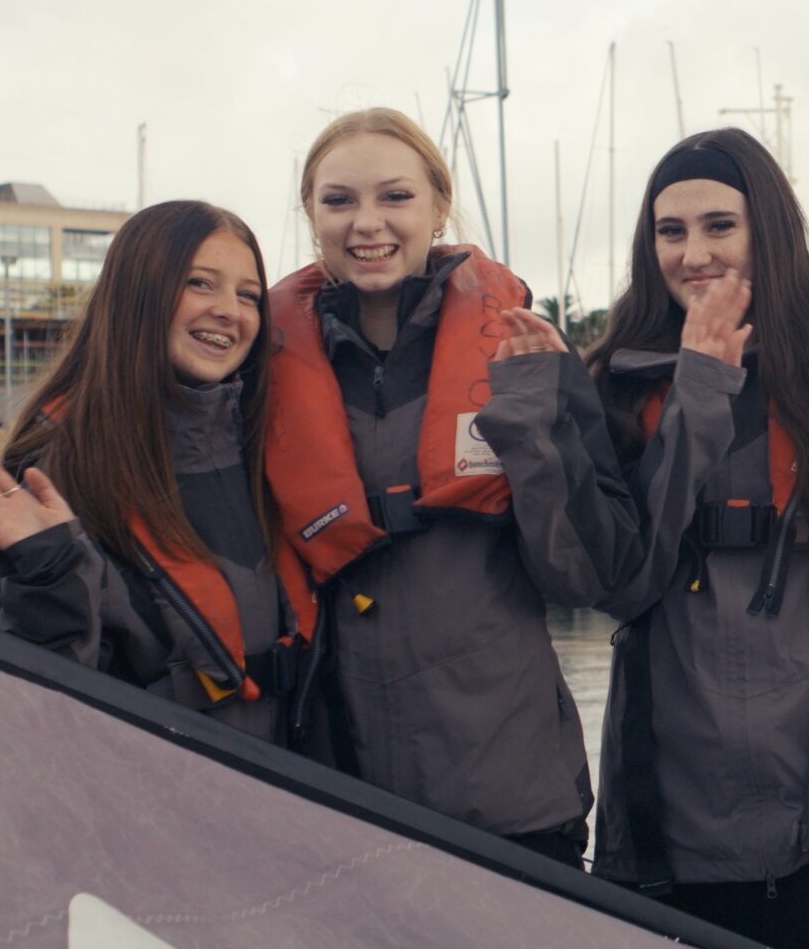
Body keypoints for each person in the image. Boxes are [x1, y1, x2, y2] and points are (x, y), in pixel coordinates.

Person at [586, 128, 809, 948]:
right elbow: (621, 580)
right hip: (674, 838)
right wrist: (698, 389)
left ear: (769, 233)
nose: (693, 252)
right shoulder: (612, 388)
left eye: (720, 225)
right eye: (669, 231)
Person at [262, 107, 639, 866]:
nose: (367, 223)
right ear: (311, 216)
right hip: (344, 792)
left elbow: (588, 575)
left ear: (439, 205)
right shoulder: (264, 368)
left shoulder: (523, 347)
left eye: (394, 197)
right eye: (339, 201)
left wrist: (531, 425)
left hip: (508, 793)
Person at [0, 200, 317, 744]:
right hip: (150, 799)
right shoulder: (58, 470)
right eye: (200, 283)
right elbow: (28, 706)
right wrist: (47, 575)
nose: (230, 310)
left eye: (248, 295)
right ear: (138, 294)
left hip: (280, 802)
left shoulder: (266, 453)